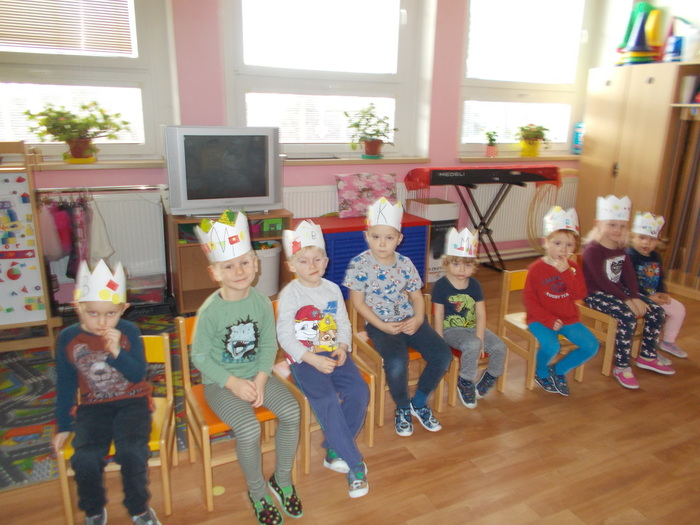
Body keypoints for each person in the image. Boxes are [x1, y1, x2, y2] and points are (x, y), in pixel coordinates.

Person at [192, 210, 302, 525]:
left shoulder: (262, 302)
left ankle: (282, 479)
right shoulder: (210, 311)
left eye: (244, 262)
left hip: (257, 375)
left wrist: (262, 379)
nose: (238, 270)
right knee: (249, 428)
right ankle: (257, 492)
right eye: (228, 266)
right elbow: (200, 357)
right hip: (220, 383)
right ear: (215, 273)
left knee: (292, 411)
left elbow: (268, 346)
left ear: (256, 264)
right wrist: (233, 383)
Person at [53, 259, 160, 525]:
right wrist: (63, 426)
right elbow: (65, 384)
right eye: (92, 313)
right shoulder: (68, 338)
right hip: (93, 406)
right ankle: (93, 511)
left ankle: (138, 509)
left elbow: (137, 375)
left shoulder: (129, 331)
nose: (101, 322)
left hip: (133, 401)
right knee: (85, 457)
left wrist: (117, 352)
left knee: (132, 452)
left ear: (123, 308)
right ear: (77, 307)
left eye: (111, 313)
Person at [276, 220, 370, 498]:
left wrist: (342, 346)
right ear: (291, 266)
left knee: (359, 391)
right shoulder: (290, 294)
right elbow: (285, 337)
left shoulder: (331, 289)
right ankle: (355, 464)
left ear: (326, 262)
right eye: (303, 261)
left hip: (333, 353)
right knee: (327, 399)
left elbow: (343, 322)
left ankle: (333, 448)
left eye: (317, 259)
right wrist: (312, 359)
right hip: (304, 359)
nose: (312, 265)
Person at [343, 197, 451, 437]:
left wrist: (419, 319)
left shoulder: (406, 263)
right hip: (380, 325)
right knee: (396, 363)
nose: (382, 243)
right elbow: (358, 303)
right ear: (367, 236)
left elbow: (417, 297)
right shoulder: (359, 264)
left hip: (411, 320)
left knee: (442, 355)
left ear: (399, 239)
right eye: (376, 237)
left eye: (389, 238)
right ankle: (402, 406)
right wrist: (382, 326)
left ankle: (418, 402)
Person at [582, 196, 673, 389]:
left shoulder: (620, 248)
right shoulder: (592, 250)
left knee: (657, 311)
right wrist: (627, 300)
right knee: (627, 315)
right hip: (595, 294)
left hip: (618, 292)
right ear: (598, 224)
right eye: (612, 224)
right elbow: (602, 281)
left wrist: (634, 296)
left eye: (622, 226)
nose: (618, 230)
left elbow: (629, 275)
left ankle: (647, 356)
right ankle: (621, 366)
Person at [523, 207, 599, 395]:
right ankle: (541, 372)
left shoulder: (572, 267)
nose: (563, 250)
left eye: (569, 245)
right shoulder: (536, 269)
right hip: (539, 319)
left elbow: (579, 294)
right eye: (557, 243)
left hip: (568, 318)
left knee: (591, 346)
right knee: (551, 346)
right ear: (545, 242)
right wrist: (548, 320)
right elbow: (530, 301)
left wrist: (566, 272)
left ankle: (558, 370)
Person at [431, 227, 507, 408]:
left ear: (474, 266)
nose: (461, 269)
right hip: (452, 330)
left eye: (467, 265)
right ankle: (465, 381)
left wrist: (480, 337)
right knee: (472, 345)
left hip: (472, 327)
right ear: (446, 263)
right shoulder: (441, 285)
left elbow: (481, 314)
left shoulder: (474, 285)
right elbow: (438, 314)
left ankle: (490, 377)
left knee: (500, 347)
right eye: (456, 264)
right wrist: (439, 340)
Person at [627, 212, 687, 358]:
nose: (646, 243)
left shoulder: (655, 256)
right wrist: (648, 297)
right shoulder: (629, 255)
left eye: (652, 239)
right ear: (633, 237)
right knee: (656, 315)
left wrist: (662, 292)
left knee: (679, 309)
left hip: (654, 296)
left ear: (658, 241)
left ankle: (668, 342)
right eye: (642, 238)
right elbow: (629, 282)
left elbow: (660, 277)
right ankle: (649, 348)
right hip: (636, 297)